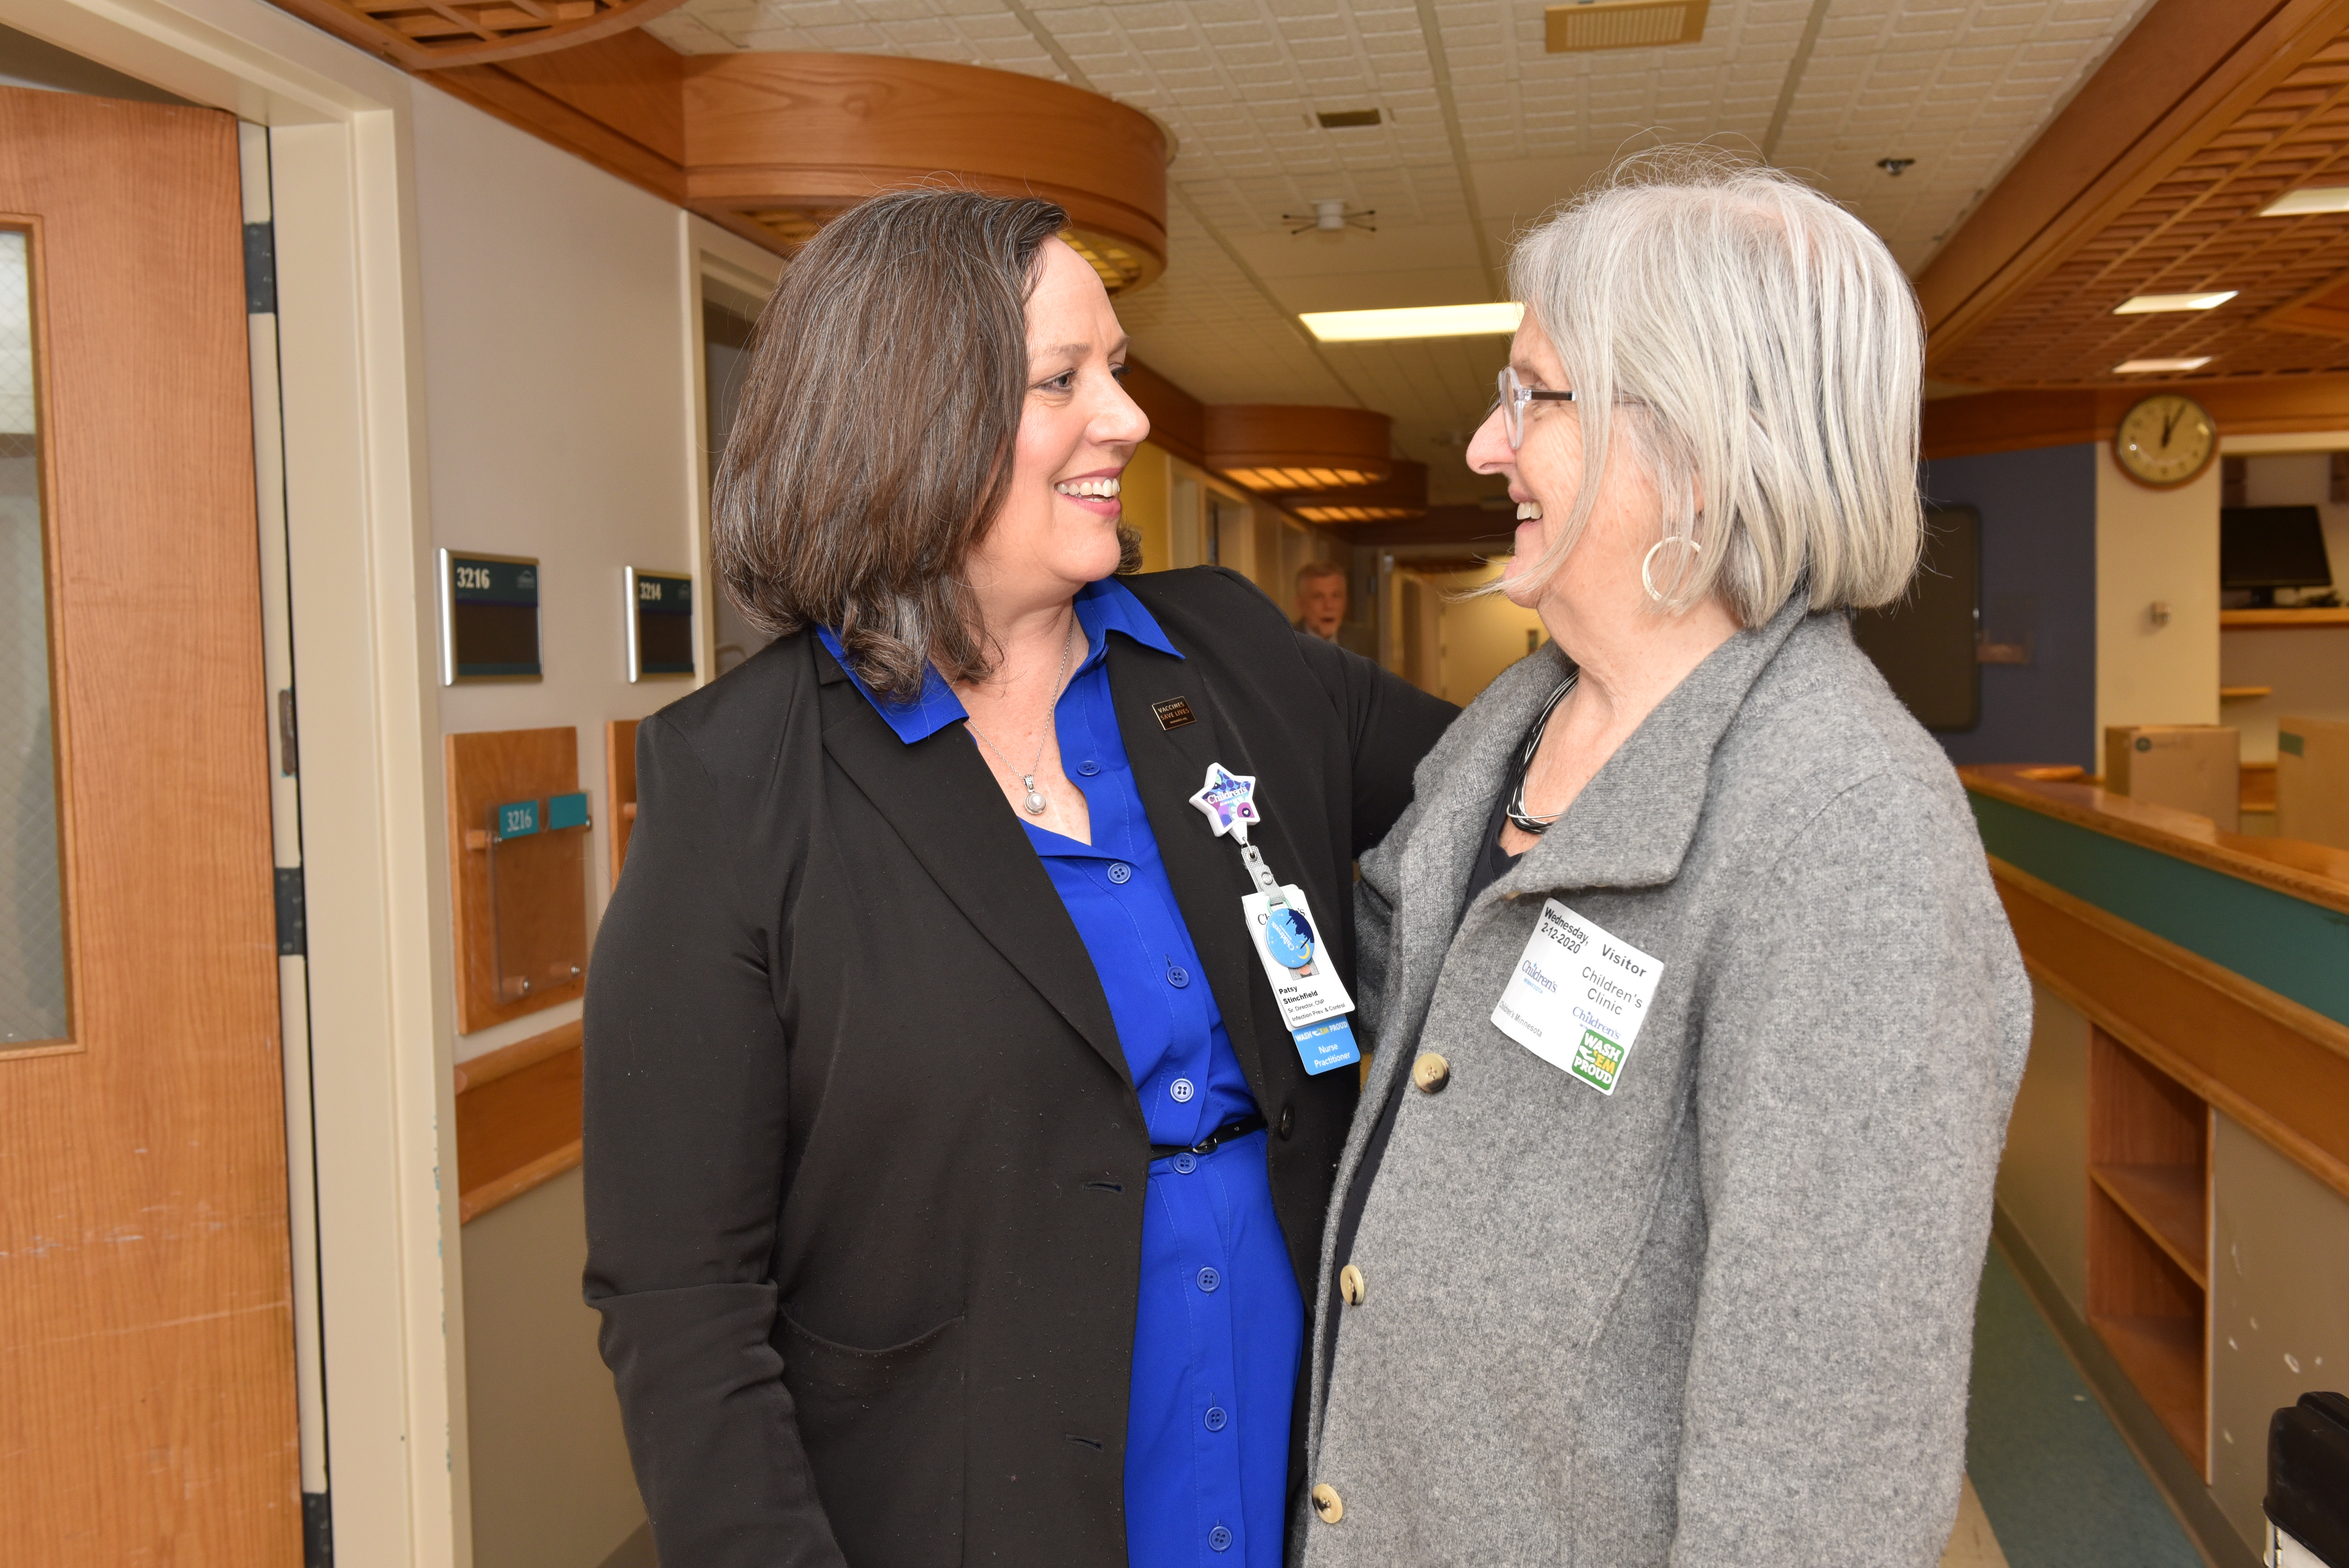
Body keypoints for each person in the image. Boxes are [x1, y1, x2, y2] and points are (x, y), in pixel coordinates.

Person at [581, 189, 1454, 1568]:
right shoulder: (741, 785)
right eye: (1064, 379)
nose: (1127, 417)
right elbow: (681, 1298)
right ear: (910, 423)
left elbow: (1517, 798)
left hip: (1312, 1488)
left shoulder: (1225, 657)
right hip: (968, 1504)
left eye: (1111, 367)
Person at [1301, 150, 2030, 1566]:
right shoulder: (1507, 734)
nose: (1480, 447)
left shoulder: (1844, 828)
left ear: (1692, 436)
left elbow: (1819, 1469)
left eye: (1531, 395)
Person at [1293, 560, 1347, 639]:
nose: (1329, 606)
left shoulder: (1366, 641)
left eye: (1335, 596)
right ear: (1300, 604)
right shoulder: (1283, 641)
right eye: (1318, 597)